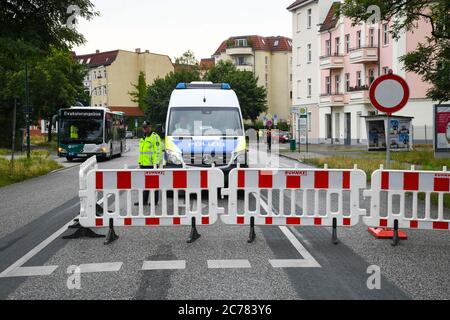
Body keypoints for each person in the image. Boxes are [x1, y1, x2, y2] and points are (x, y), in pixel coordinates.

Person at [135, 121, 163, 206]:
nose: (144, 129)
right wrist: (140, 163)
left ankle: (154, 201)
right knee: (144, 184)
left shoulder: (155, 137)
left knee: (154, 184)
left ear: (150, 127)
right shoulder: (143, 138)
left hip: (152, 165)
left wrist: (156, 164)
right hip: (144, 165)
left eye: (146, 127)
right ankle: (144, 201)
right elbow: (142, 152)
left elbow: (158, 151)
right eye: (143, 127)